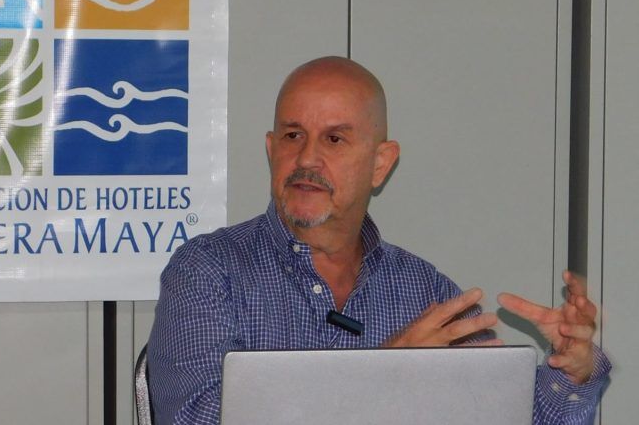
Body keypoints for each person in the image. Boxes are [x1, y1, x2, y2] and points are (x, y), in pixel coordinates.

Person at [147, 56, 611, 424]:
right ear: (272, 150)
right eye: (293, 135)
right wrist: (390, 372)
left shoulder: (425, 292)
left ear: (380, 164)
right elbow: (195, 418)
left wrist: (572, 370)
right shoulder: (207, 271)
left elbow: (510, 416)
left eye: (334, 140)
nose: (306, 158)